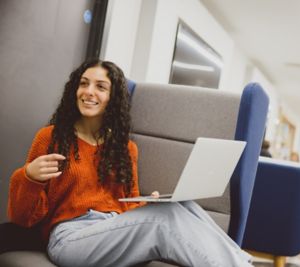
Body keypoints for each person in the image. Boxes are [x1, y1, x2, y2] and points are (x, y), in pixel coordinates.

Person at [7, 59, 253, 267]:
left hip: (113, 226)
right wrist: (29, 177)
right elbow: (22, 218)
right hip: (69, 238)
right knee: (163, 219)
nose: (89, 91)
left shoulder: (125, 149)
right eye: (83, 84)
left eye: (100, 87)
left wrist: (149, 203)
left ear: (113, 98)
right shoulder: (51, 137)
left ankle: (242, 262)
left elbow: (128, 206)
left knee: (182, 205)